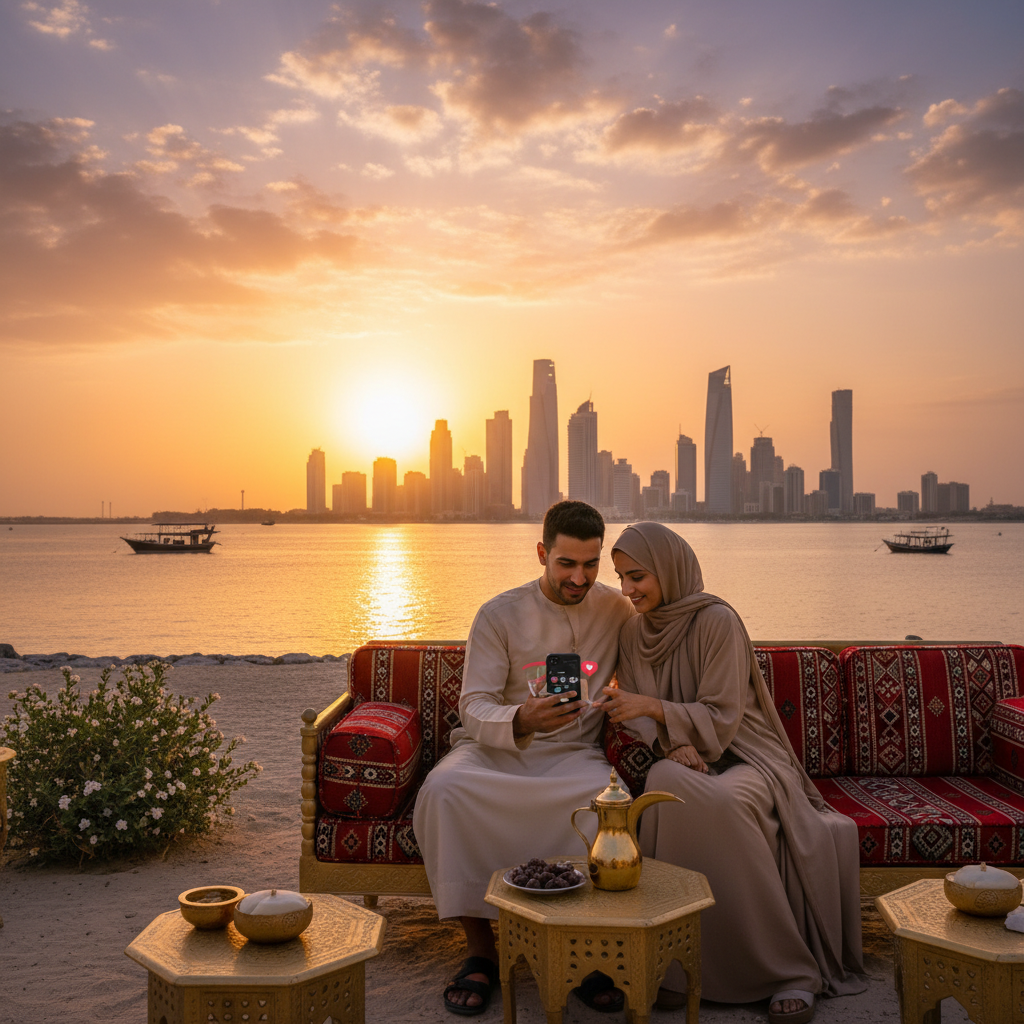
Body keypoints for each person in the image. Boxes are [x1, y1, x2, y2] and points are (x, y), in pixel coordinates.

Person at [600, 522, 865, 1024]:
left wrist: (660, 712)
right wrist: (672, 741)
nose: (628, 589)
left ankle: (786, 969)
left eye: (638, 576)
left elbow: (722, 716)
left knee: (723, 801)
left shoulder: (717, 621)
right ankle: (675, 966)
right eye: (621, 578)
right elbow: (633, 715)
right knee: (664, 785)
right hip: (681, 753)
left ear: (669, 570)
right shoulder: (633, 633)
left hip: (746, 756)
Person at [413, 501, 634, 1016]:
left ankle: (585, 950)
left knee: (604, 800)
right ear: (541, 553)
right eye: (566, 563)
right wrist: (521, 718)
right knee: (444, 790)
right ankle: (480, 950)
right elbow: (473, 706)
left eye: (591, 564)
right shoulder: (499, 614)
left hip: (576, 755)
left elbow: (661, 643)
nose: (579, 578)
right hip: (497, 750)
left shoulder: (617, 609)